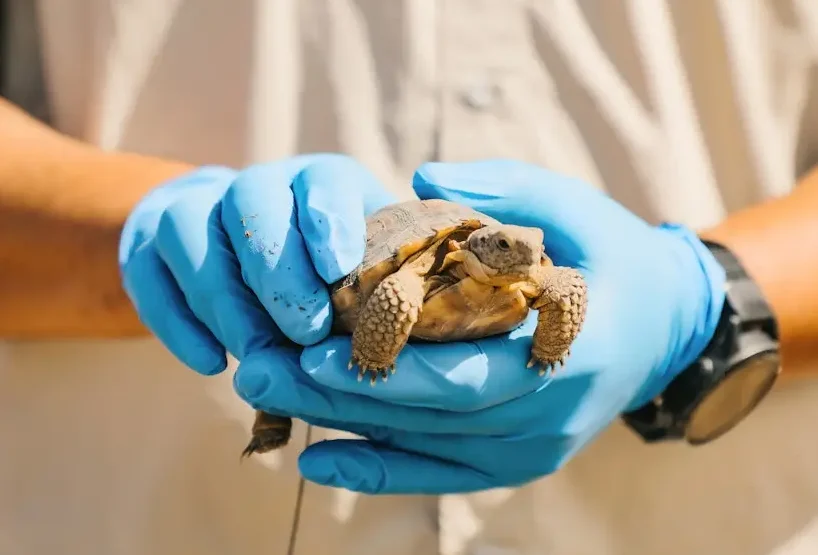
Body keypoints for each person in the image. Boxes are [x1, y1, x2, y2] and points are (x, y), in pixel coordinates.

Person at [1, 1, 817, 554]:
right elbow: (391, 289)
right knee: (290, 359)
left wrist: (698, 298)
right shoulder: (423, 268)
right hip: (164, 515)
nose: (521, 261)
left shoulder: (535, 274)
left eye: (525, 253)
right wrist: (143, 228)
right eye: (505, 250)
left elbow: (564, 288)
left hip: (687, 522)